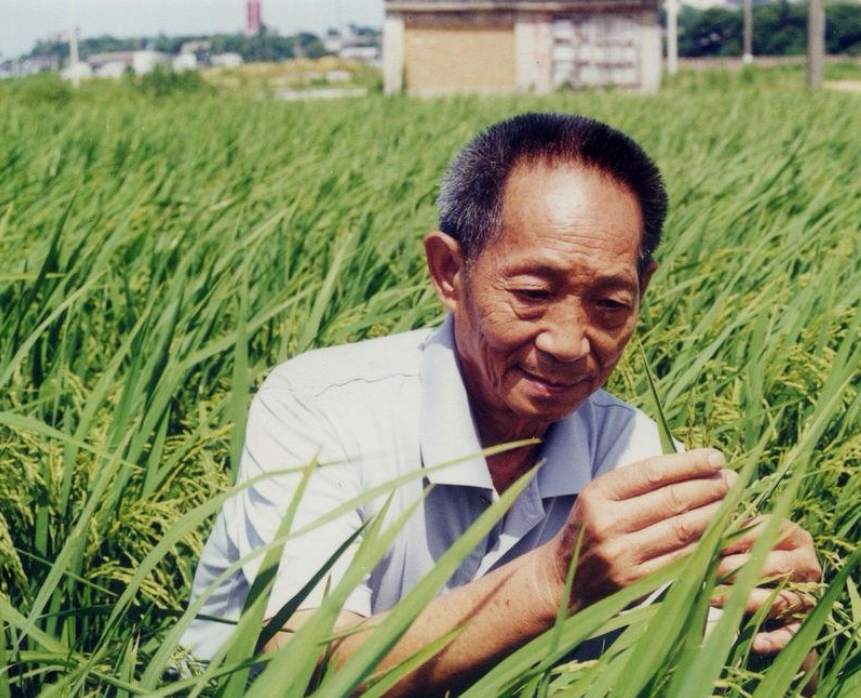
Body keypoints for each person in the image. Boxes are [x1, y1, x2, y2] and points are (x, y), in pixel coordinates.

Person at [181, 112, 820, 694]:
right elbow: (310, 665)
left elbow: (698, 660)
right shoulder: (319, 408)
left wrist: (774, 623)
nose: (570, 343)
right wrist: (552, 583)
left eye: (610, 304)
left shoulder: (630, 448)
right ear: (449, 272)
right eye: (533, 292)